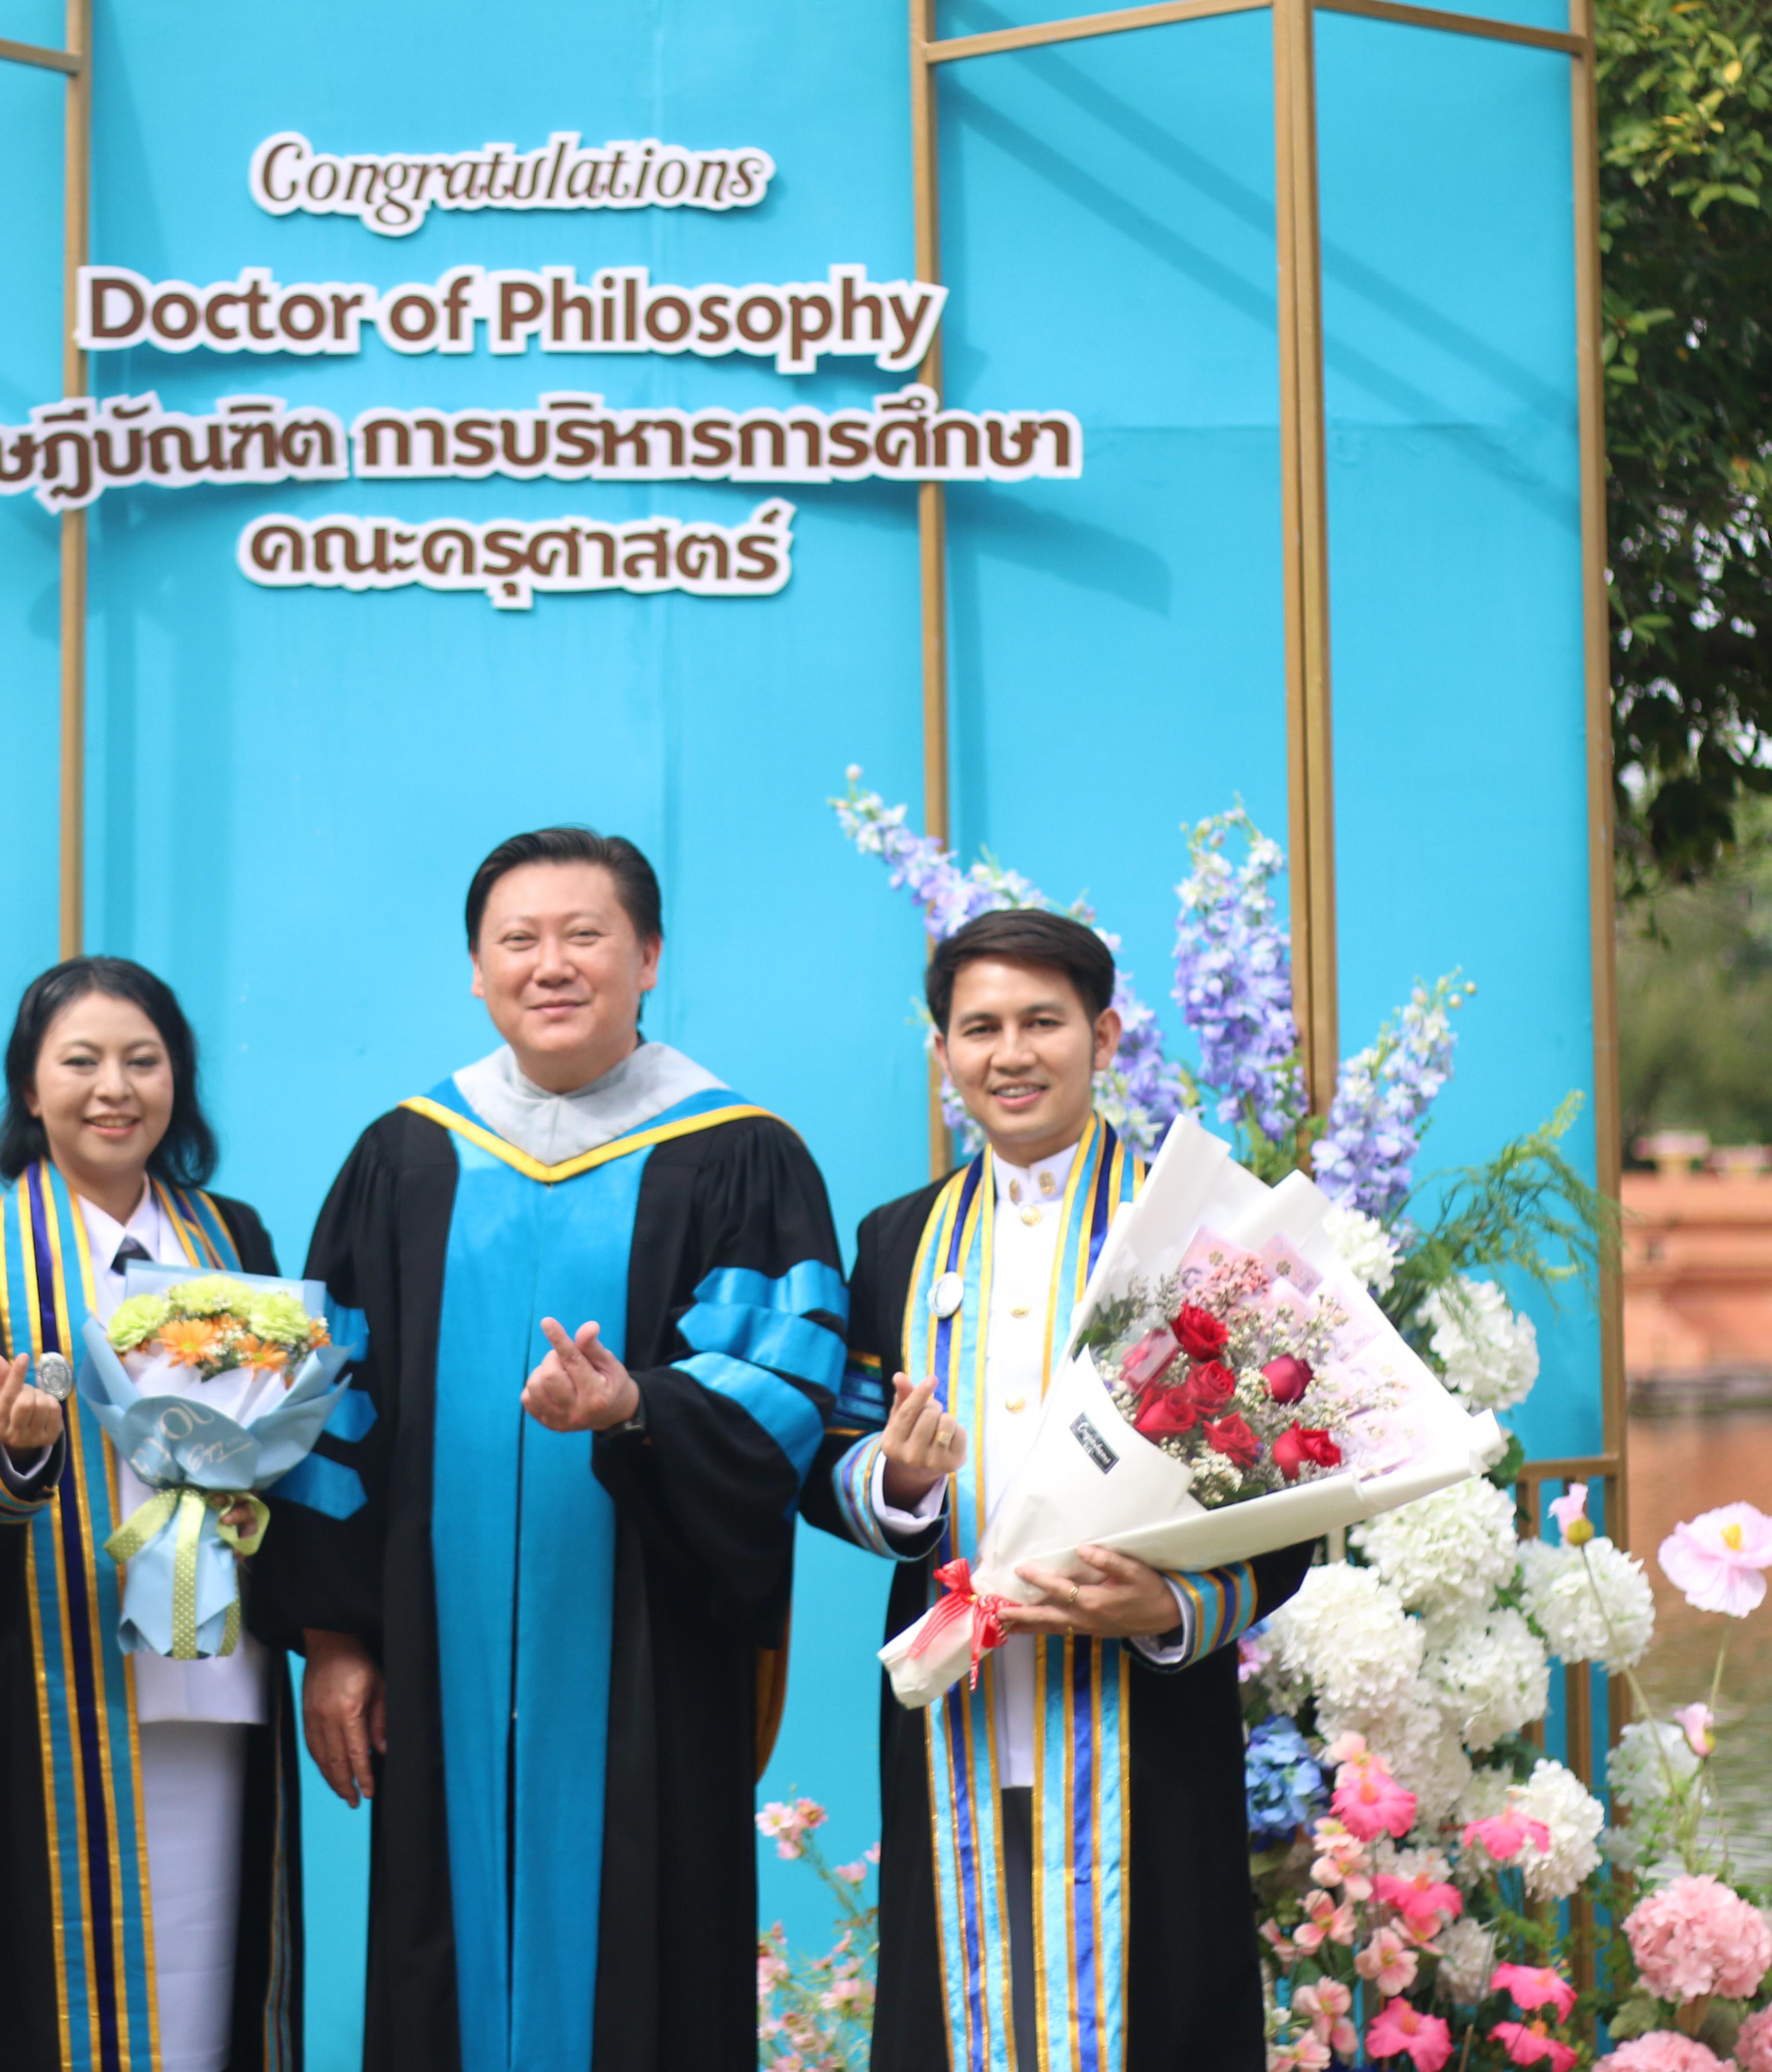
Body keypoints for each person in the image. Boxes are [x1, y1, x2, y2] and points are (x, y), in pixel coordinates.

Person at [257, 826, 847, 2072]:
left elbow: (784, 1396)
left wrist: (638, 1410)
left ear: (648, 956)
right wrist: (336, 1640)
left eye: (585, 936)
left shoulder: (740, 1153)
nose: (552, 964)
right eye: (518, 940)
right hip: (435, 1656)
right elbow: (326, 1406)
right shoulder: (405, 1156)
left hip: (649, 1659)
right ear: (477, 970)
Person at [803, 908, 1311, 2072]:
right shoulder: (895, 1244)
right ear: (943, 1056)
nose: (1011, 1052)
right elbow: (825, 1454)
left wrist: (1172, 1609)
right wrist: (899, 1480)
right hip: (958, 1720)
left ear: (1107, 1035)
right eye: (979, 1027)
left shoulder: (1196, 1234)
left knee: (1164, 2017)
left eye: (1043, 1021)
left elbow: (1291, 1507)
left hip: (1148, 1723)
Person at [0, 957, 301, 2072]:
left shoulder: (235, 1240)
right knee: (37, 1980)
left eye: (143, 1060)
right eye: (80, 1061)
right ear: (30, 1089)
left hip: (210, 1666)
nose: (112, 1087)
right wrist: (12, 1445)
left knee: (213, 1952)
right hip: (38, 1680)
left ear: (179, 1082)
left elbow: (283, 1435)